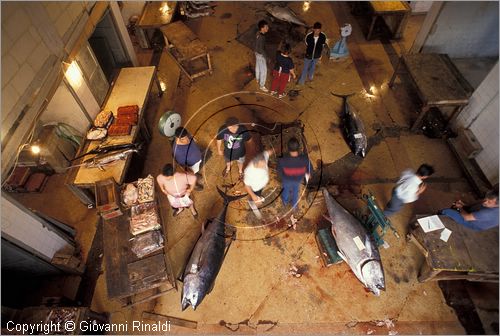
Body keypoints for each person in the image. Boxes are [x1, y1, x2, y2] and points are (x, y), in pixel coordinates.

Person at [278, 137, 311, 211]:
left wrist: (283, 177)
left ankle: (285, 202)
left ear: (288, 148)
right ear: (298, 148)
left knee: (285, 190)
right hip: (297, 180)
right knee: (295, 192)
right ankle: (294, 206)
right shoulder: (305, 159)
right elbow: (308, 172)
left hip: (286, 180)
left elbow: (279, 172)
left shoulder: (282, 160)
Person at [255, 20, 270, 92]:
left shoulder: (258, 33)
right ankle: (262, 85)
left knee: (258, 66)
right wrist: (266, 58)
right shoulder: (262, 37)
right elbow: (261, 49)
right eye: (266, 27)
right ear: (262, 28)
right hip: (260, 55)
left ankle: (257, 78)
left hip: (256, 52)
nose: (268, 28)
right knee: (264, 71)